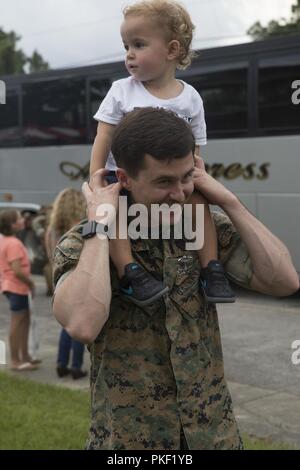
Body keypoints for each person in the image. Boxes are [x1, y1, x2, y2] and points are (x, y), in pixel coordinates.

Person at [52, 107, 299, 450]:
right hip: (131, 442)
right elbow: (82, 323)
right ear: (124, 178)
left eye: (186, 178)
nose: (180, 193)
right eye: (164, 182)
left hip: (213, 436)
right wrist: (100, 226)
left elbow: (284, 280)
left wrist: (230, 202)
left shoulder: (204, 229)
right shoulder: (86, 242)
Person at [90, 0, 235, 305]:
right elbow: (103, 136)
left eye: (139, 44)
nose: (129, 53)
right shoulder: (121, 90)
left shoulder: (191, 98)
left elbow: (195, 145)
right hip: (125, 178)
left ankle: (212, 268)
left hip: (172, 181)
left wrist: (192, 178)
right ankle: (128, 271)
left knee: (198, 200)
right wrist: (96, 179)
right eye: (126, 45)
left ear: (171, 50)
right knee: (113, 209)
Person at [46, 188, 88, 380]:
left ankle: (61, 363)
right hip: (78, 277)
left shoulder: (52, 229)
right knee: (79, 323)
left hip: (60, 279)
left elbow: (50, 255)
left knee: (65, 324)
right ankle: (76, 367)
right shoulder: (81, 228)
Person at [0, 209, 40, 371]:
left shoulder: (6, 241)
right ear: (12, 224)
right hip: (16, 287)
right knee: (18, 323)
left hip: (14, 287)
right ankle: (16, 360)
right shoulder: (14, 243)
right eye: (18, 218)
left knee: (25, 321)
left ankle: (26, 357)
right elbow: (17, 270)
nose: (22, 220)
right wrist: (31, 283)